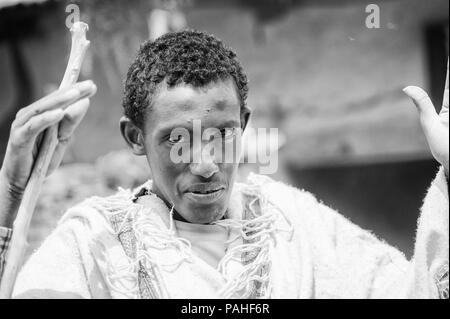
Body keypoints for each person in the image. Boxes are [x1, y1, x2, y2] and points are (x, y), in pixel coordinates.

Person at [0, 30, 448, 299]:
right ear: (135, 138)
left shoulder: (293, 226)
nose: (207, 164)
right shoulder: (94, 244)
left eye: (222, 134)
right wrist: (12, 195)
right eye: (177, 139)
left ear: (244, 124)